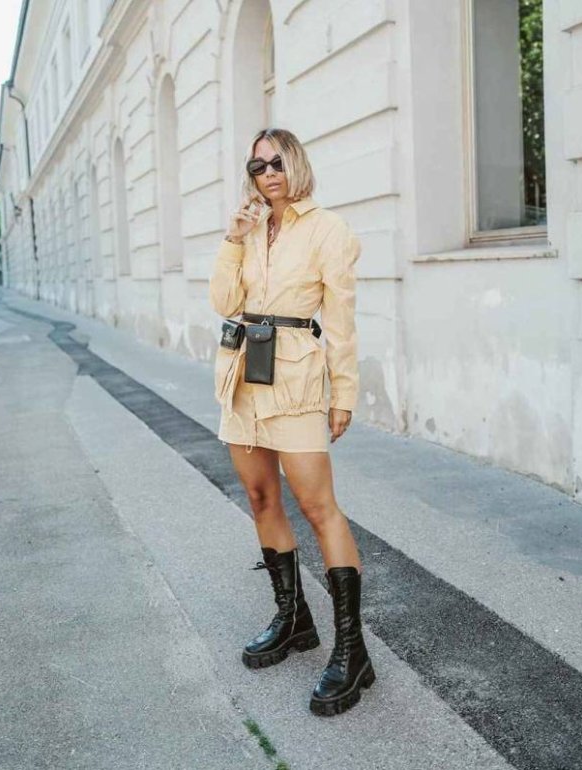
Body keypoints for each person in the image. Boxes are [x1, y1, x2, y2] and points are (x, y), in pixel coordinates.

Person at [208, 127, 375, 716]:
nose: (267, 174)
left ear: (295, 163)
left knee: (318, 506)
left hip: (297, 381)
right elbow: (224, 302)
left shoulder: (329, 230)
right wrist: (233, 239)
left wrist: (344, 394)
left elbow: (342, 324)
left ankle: (352, 650)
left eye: (276, 162)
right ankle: (294, 616)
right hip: (242, 377)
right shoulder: (250, 228)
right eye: (256, 166)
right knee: (260, 498)